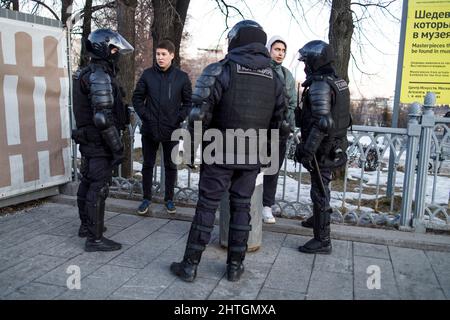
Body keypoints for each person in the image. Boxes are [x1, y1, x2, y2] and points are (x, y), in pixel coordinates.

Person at [170, 20, 287, 282]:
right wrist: (267, 155)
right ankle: (235, 266)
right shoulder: (274, 78)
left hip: (219, 153)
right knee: (241, 207)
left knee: (207, 207)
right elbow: (280, 123)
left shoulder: (220, 70)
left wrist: (189, 152)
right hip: (253, 155)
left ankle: (190, 266)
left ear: (236, 40)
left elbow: (198, 116)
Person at [72, 29, 134, 252]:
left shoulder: (85, 73)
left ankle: (86, 226)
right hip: (99, 142)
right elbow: (102, 118)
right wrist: (117, 148)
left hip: (89, 140)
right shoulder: (98, 75)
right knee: (98, 187)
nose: (117, 53)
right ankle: (94, 239)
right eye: (114, 49)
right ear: (104, 49)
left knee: (87, 182)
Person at [295, 40, 351, 254]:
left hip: (322, 148)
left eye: (306, 61)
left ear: (315, 61)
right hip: (334, 144)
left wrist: (307, 150)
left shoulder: (320, 84)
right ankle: (318, 219)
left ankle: (323, 239)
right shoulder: (338, 81)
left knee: (319, 190)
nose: (304, 66)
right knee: (321, 186)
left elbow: (323, 122)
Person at [132, 40, 192, 215]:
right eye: (158, 54)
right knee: (148, 165)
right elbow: (137, 99)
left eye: (164, 54)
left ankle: (169, 200)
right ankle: (146, 199)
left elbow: (188, 103)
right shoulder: (147, 75)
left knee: (171, 165)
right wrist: (146, 116)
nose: (160, 58)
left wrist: (178, 118)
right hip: (149, 129)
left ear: (172, 55)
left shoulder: (181, 77)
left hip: (172, 129)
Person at [261, 35, 297, 224]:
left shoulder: (287, 74)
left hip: (279, 131)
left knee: (273, 169)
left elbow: (292, 103)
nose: (280, 53)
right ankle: (249, 202)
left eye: (283, 50)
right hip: (259, 130)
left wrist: (287, 126)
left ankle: (267, 205)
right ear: (269, 50)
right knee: (254, 168)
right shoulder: (261, 70)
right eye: (277, 49)